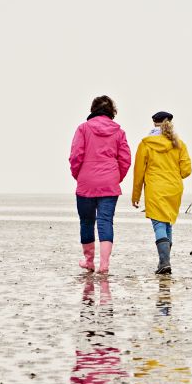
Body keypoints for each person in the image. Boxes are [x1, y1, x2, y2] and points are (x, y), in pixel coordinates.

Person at [70, 95, 131, 274]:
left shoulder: (83, 129)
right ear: (112, 111)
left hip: (86, 183)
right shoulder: (119, 132)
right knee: (105, 222)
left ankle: (89, 261)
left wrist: (79, 176)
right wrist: (115, 177)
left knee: (87, 222)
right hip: (109, 183)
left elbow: (75, 156)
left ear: (93, 109)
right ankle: (104, 265)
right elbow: (125, 159)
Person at [131, 111, 192, 275]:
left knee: (159, 224)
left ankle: (164, 262)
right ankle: (164, 262)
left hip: (155, 188)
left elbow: (139, 171)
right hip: (174, 188)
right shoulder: (179, 144)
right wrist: (172, 175)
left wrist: (135, 195)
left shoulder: (146, 143)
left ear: (154, 123)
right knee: (167, 223)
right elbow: (186, 171)